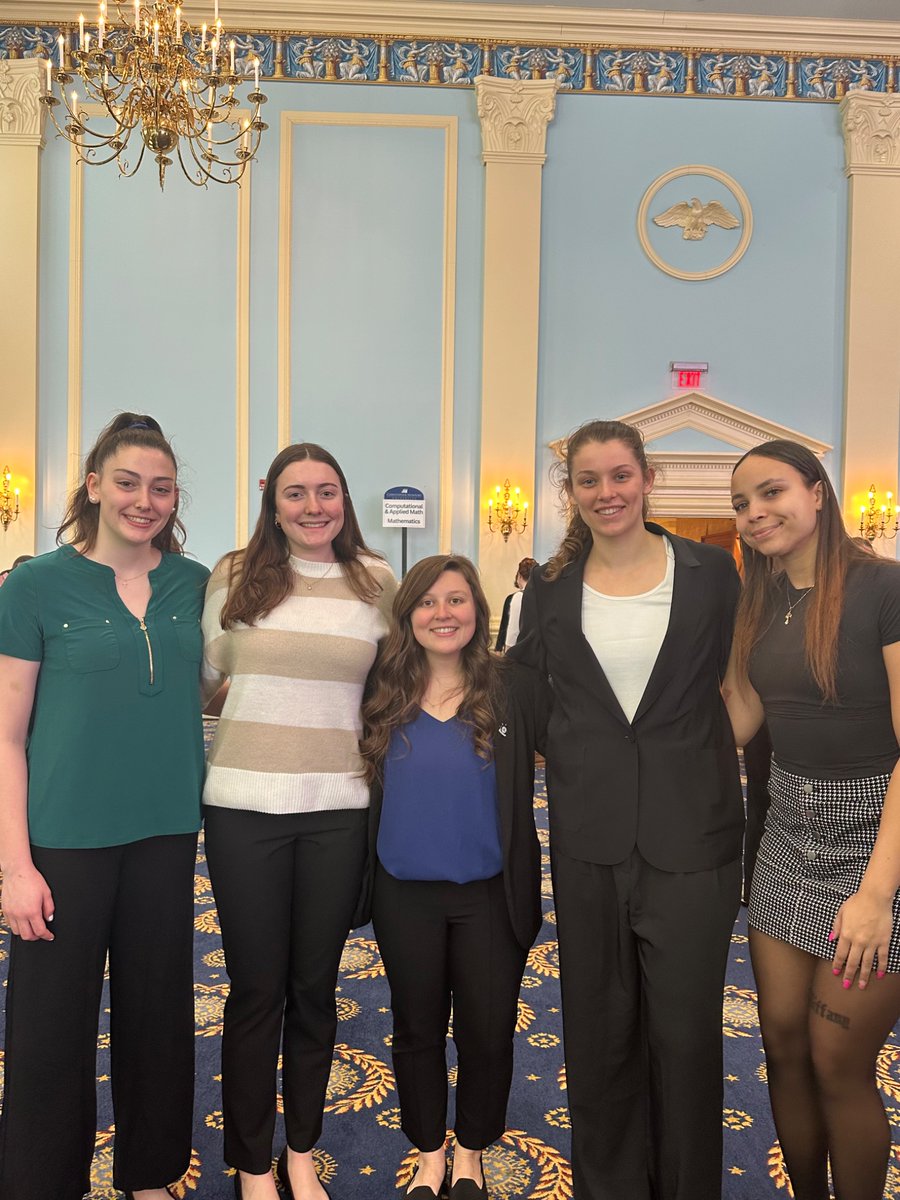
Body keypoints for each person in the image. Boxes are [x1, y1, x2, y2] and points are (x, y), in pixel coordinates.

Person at [510, 418, 744, 1200]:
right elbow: (535, 702)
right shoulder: (547, 591)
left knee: (683, 1040)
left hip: (694, 837)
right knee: (599, 1035)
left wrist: (699, 758)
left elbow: (738, 687)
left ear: (647, 480)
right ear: (570, 493)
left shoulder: (713, 572)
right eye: (588, 481)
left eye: (619, 476)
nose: (605, 493)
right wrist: (585, 760)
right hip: (590, 836)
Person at [0, 413, 208, 1200]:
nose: (144, 500)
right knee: (50, 1030)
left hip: (164, 835)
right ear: (94, 486)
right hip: (64, 842)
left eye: (160, 488)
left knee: (158, 1018)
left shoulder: (194, 585)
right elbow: (5, 737)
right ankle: (42, 1181)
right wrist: (14, 866)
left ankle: (151, 1175)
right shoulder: (36, 585)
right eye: (127, 483)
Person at [201, 442, 397, 1200]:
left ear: (345, 499)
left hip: (338, 813)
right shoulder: (234, 576)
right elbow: (209, 680)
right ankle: (253, 1161)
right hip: (243, 807)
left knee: (316, 988)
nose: (313, 507)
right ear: (271, 501)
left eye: (327, 492)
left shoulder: (375, 580)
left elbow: (393, 690)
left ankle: (304, 1150)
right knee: (256, 990)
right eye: (296, 494)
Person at [723, 439, 900, 1200]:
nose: (755, 513)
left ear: (818, 493)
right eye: (741, 504)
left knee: (837, 1060)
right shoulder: (757, 599)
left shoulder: (882, 588)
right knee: (784, 1049)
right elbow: (738, 721)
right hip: (786, 837)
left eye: (771, 493)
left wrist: (876, 894)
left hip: (876, 839)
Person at [359, 555, 546, 1200]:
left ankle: (470, 1151)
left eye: (457, 600)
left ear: (479, 610)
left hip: (489, 893)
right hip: (403, 891)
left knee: (488, 1027)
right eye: (428, 602)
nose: (443, 614)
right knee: (416, 1027)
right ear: (407, 615)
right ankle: (429, 1150)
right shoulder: (379, 688)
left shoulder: (513, 688)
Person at [494, 557, 537, 652]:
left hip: (519, 649)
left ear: (519, 576)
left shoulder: (517, 597)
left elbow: (510, 630)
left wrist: (504, 652)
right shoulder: (541, 597)